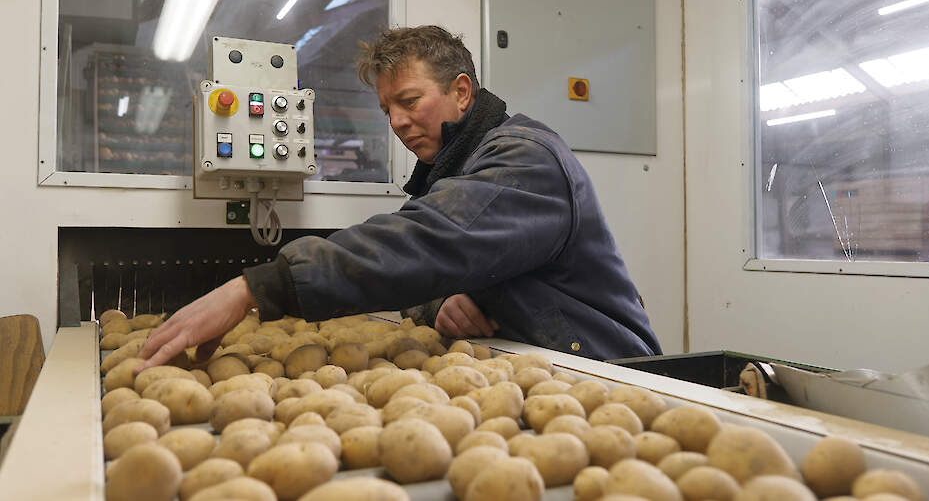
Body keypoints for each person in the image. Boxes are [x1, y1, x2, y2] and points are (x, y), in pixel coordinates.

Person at [137, 25, 661, 370]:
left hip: (608, 370)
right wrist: (442, 303)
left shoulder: (524, 159)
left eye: (409, 101)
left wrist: (252, 289)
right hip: (530, 361)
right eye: (388, 109)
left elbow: (427, 242)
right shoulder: (447, 174)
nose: (398, 122)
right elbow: (423, 272)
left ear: (461, 92)